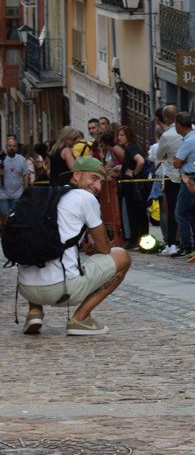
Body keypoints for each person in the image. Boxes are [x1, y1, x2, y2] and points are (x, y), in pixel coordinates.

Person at [16, 157, 131, 336]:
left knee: (36, 242)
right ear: (76, 175)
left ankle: (34, 311)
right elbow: (104, 249)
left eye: (102, 181)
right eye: (93, 178)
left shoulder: (44, 196)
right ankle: (80, 319)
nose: (98, 187)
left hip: (26, 288)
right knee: (122, 256)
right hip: (61, 290)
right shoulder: (85, 197)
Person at [172, 112, 195, 257]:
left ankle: (186, 245)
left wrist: (180, 160)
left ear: (179, 125)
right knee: (193, 213)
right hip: (194, 175)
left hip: (190, 178)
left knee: (181, 212)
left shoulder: (189, 140)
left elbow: (176, 162)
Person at [115, 126, 149, 247]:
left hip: (133, 187)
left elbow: (140, 161)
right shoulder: (135, 147)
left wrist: (134, 173)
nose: (119, 138)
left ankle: (135, 240)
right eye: (118, 135)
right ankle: (141, 240)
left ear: (128, 136)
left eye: (122, 135)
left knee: (135, 213)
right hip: (137, 186)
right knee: (139, 214)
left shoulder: (130, 149)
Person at [154, 105, 182, 255]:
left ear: (165, 118)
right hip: (186, 174)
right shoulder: (191, 131)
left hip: (171, 175)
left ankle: (172, 242)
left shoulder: (167, 135)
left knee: (172, 210)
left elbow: (159, 155)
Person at [1, 136, 31, 226]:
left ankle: (13, 235)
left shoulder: (21, 160)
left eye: (14, 146)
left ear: (17, 147)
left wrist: (25, 190)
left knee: (15, 217)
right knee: (4, 216)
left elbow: (25, 174)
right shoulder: (2, 159)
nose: (12, 148)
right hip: (3, 194)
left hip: (17, 194)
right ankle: (4, 232)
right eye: (9, 146)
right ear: (6, 147)